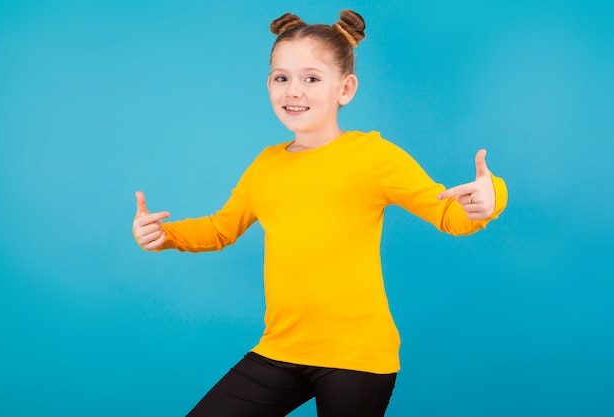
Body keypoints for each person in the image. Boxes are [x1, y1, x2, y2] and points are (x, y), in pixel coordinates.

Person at [132, 10, 508, 417]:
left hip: (357, 357)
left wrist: (490, 199)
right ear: (269, 85)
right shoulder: (266, 165)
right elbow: (221, 229)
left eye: (311, 78)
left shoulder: (372, 157)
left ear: (344, 89)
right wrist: (166, 235)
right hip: (280, 350)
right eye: (282, 78)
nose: (294, 91)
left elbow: (449, 216)